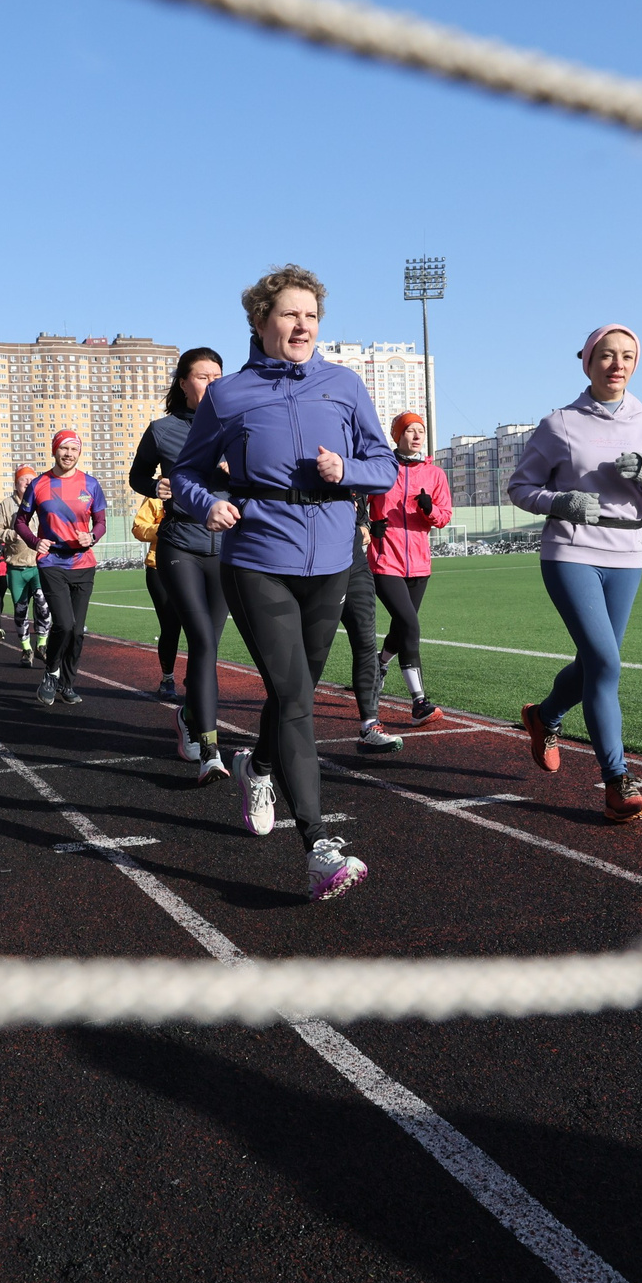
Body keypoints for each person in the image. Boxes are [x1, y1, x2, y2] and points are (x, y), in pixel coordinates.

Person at [173, 264, 395, 900]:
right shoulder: (229, 395)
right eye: (290, 314)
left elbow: (382, 466)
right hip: (259, 554)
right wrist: (205, 504)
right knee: (294, 693)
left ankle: (258, 765)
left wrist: (344, 467)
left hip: (333, 558)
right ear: (261, 321)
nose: (303, 325)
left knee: (296, 686)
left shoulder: (345, 385)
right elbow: (187, 473)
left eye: (312, 316)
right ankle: (319, 844)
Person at [508, 324, 642, 823]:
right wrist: (561, 500)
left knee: (596, 663)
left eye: (626, 356)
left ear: (635, 363)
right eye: (605, 355)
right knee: (607, 663)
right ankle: (617, 781)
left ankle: (545, 715)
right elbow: (520, 487)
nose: (616, 364)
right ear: (587, 361)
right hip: (570, 551)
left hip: (628, 552)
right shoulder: (559, 423)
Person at [130, 346, 231, 781]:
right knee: (203, 642)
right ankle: (210, 748)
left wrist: (237, 470)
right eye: (202, 376)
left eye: (217, 376)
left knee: (211, 646)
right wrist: (158, 486)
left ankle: (189, 716)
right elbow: (137, 477)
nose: (212, 383)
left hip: (228, 550)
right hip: (180, 545)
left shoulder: (236, 426)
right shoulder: (163, 430)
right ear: (183, 383)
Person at [369, 412, 452, 723]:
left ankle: (379, 664)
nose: (417, 435)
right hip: (384, 560)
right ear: (397, 435)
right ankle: (419, 702)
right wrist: (366, 524)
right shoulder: (380, 468)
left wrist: (430, 510)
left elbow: (444, 516)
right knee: (411, 625)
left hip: (419, 564)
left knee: (402, 625)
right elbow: (355, 501)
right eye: (410, 430)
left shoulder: (435, 475)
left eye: (421, 430)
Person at [15, 428, 107, 705]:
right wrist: (34, 541)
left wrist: (92, 536)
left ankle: (67, 684)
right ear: (55, 450)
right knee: (64, 624)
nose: (69, 454)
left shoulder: (90, 484)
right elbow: (21, 521)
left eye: (74, 449)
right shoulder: (39, 484)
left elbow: (101, 522)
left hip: (83, 563)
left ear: (79, 452)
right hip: (52, 562)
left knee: (77, 631)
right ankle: (51, 672)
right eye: (64, 449)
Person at [340, 495, 401, 753]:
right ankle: (287, 727)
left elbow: (359, 503)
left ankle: (370, 725)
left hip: (354, 560)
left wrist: (363, 523)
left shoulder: (352, 463)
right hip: (314, 563)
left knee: (366, 641)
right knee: (309, 650)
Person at [0, 465, 47, 666]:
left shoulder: (42, 502)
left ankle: (42, 644)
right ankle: (26, 649)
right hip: (16, 567)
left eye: (32, 479)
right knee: (21, 610)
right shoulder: (7, 505)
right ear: (16, 483)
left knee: (42, 605)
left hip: (39, 565)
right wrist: (11, 535)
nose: (28, 483)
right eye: (24, 480)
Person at [130, 491, 184, 698]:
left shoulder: (202, 487)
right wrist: (165, 527)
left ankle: (198, 678)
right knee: (171, 626)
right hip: (159, 568)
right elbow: (139, 528)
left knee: (198, 628)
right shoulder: (156, 495)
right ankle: (168, 678)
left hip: (196, 568)